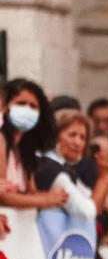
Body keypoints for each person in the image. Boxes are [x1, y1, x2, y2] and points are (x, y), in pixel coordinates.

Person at [0, 79, 69, 210]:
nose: (27, 109)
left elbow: (31, 193)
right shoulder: (1, 140)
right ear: (5, 107)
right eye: (21, 103)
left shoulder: (25, 149)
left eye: (33, 106)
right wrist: (45, 199)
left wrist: (54, 196)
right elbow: (3, 196)